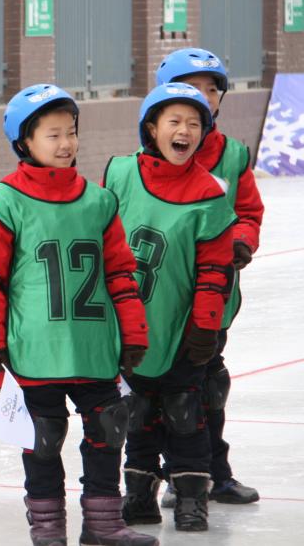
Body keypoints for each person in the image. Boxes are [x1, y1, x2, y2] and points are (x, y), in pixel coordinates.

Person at [0, 84, 157, 546]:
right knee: (43, 439)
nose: (66, 143)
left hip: (93, 345)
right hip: (34, 348)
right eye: (53, 135)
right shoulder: (0, 203)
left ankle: (104, 524)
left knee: (109, 428)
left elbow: (120, 274)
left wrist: (133, 334)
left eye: (71, 132)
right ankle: (48, 528)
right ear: (24, 142)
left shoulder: (99, 201)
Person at [103, 83, 236, 532]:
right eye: (174, 121)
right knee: (137, 411)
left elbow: (215, 269)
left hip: (180, 326)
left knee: (184, 413)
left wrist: (205, 326)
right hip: (129, 324)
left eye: (194, 124)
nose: (185, 131)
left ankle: (192, 500)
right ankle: (139, 495)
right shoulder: (121, 173)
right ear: (151, 128)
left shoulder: (208, 193)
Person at [154, 48, 263, 506]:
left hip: (212, 295)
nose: (203, 96)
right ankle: (172, 474)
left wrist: (239, 241)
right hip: (158, 297)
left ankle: (213, 473)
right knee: (159, 390)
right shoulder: (148, 157)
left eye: (211, 89)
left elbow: (248, 211)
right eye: (191, 87)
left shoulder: (232, 156)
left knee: (206, 386)